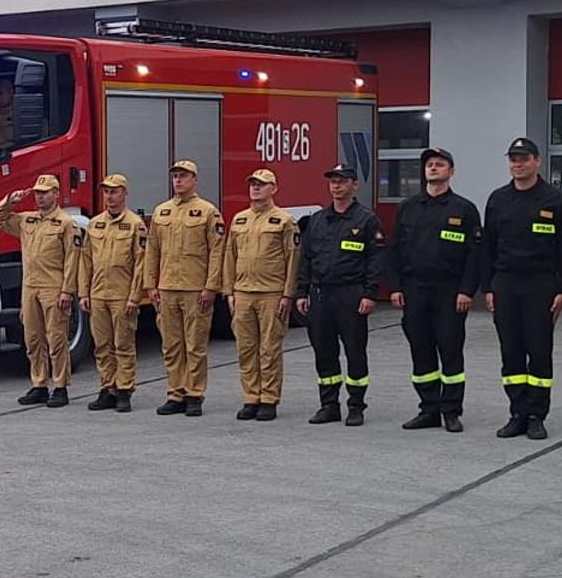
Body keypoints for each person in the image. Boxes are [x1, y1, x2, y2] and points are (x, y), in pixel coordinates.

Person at [482, 137, 562, 441]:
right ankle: (517, 413)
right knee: (510, 351)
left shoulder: (555, 199)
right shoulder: (497, 199)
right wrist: (489, 287)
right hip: (506, 283)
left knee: (538, 350)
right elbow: (488, 246)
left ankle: (537, 415)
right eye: (513, 159)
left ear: (537, 161)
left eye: (523, 159)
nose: (517, 164)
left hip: (540, 284)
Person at [387, 148, 482, 433]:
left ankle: (451, 410)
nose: (433, 169)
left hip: (450, 292)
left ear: (451, 171)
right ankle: (428, 408)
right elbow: (395, 250)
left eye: (440, 165)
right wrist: (395, 287)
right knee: (421, 351)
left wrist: (467, 290)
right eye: (429, 165)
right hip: (415, 290)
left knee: (450, 350)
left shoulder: (464, 209)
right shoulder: (408, 207)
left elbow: (475, 255)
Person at [295, 163, 385, 427]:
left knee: (355, 352)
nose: (336, 186)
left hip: (352, 294)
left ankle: (356, 405)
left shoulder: (367, 220)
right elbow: (306, 258)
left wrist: (370, 294)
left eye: (342, 181)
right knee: (324, 352)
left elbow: (376, 259)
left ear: (354, 185)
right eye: (333, 181)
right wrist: (302, 291)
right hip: (321, 295)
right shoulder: (318, 220)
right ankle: (329, 405)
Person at [0, 174, 81, 408]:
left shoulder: (66, 223)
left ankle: (60, 386)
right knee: (32, 339)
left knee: (56, 339)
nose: (40, 197)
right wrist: (11, 200)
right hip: (30, 287)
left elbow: (73, 260)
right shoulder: (27, 220)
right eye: (38, 193)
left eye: (45, 192)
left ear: (56, 194)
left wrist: (67, 291)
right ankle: (39, 384)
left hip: (53, 287)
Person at [142, 160, 224, 417]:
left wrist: (211, 287)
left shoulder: (208, 212)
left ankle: (195, 394)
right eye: (175, 176)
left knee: (195, 345)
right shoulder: (162, 211)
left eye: (184, 176)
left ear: (194, 180)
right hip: (167, 288)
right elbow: (152, 250)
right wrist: (150, 285)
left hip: (194, 288)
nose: (178, 181)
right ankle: (175, 392)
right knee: (171, 344)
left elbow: (217, 252)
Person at [222, 169, 299, 421]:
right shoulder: (239, 219)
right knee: (245, 348)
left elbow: (292, 260)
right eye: (253, 184)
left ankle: (269, 399)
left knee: (269, 349)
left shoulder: (284, 221)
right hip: (243, 293)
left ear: (274, 189)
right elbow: (229, 258)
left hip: (271, 293)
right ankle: (250, 398)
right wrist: (229, 291)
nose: (255, 188)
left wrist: (288, 294)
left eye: (262, 185)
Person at [77, 174, 146, 413]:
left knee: (123, 344)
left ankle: (124, 389)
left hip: (122, 294)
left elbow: (140, 264)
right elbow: (86, 261)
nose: (109, 196)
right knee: (102, 345)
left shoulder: (136, 224)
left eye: (114, 191)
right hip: (98, 294)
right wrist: (83, 292)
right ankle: (107, 387)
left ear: (125, 194)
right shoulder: (95, 224)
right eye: (106, 191)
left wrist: (135, 296)